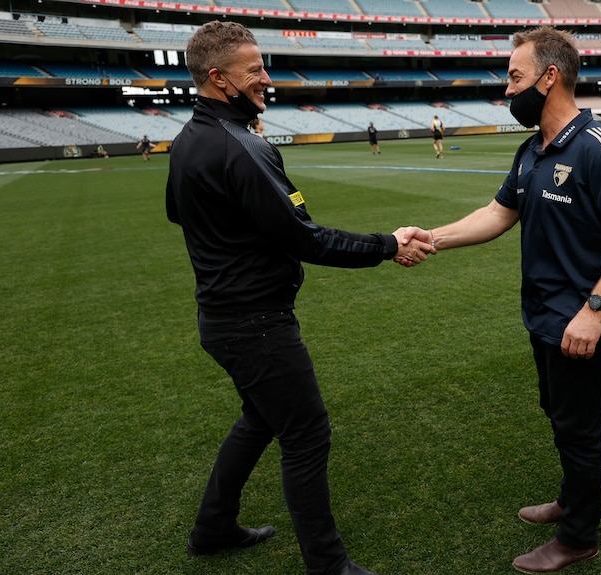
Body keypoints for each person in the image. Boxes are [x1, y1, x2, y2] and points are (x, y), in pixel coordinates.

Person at [165, 21, 433, 575]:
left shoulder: (190, 138)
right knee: (307, 434)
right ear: (218, 78)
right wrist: (389, 244)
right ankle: (327, 565)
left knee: (259, 420)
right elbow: (305, 238)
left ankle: (212, 527)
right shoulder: (242, 148)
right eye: (254, 69)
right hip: (256, 324)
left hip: (220, 316)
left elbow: (177, 211)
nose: (267, 77)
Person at [405, 26, 601, 573]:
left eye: (515, 78)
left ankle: (578, 537)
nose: (507, 89)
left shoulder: (597, 148)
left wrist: (595, 311)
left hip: (583, 319)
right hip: (544, 317)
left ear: (550, 77)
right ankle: (571, 498)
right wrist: (432, 237)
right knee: (559, 413)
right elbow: (498, 214)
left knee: (579, 425)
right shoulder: (532, 150)